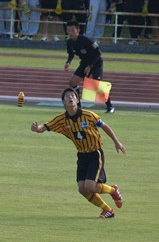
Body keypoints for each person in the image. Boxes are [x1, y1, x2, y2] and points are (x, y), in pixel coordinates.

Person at [30, 87, 126, 219]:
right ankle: (108, 210)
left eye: (73, 96)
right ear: (63, 102)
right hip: (81, 156)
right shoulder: (61, 119)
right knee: (82, 189)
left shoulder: (88, 115)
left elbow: (104, 126)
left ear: (77, 100)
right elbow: (46, 127)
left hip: (95, 153)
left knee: (90, 185)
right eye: (67, 96)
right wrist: (36, 129)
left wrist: (117, 142)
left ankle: (113, 190)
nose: (70, 97)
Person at [63, 19, 114, 113]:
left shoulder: (86, 40)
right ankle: (78, 106)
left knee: (96, 85)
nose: (70, 33)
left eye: (72, 30)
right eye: (68, 30)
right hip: (85, 63)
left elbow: (98, 53)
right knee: (72, 82)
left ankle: (110, 106)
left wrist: (90, 66)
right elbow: (71, 53)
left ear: (78, 30)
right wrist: (68, 62)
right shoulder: (69, 42)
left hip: (96, 62)